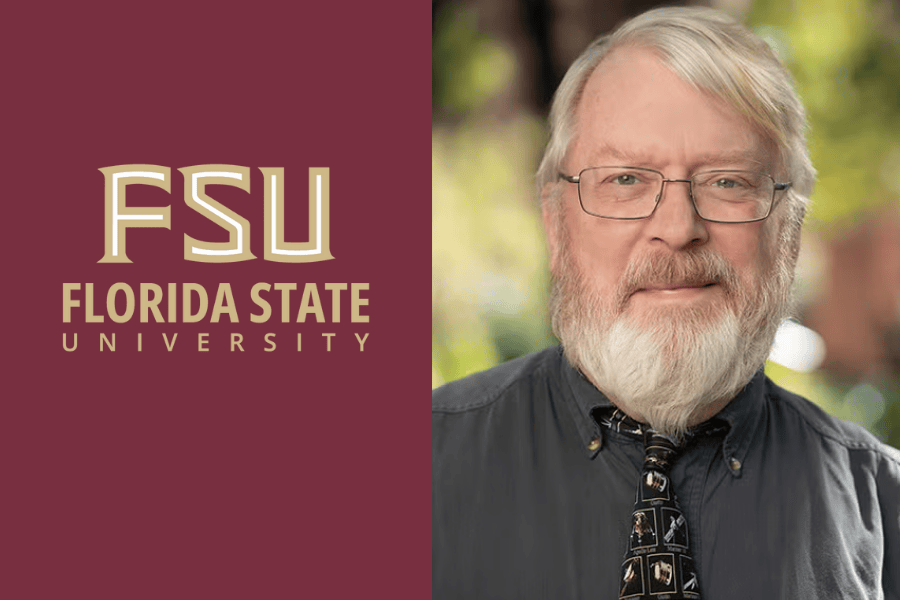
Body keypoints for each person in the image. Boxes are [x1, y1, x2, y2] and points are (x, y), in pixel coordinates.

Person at [432, 6, 900, 599]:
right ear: (556, 226)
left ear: (789, 229)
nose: (678, 228)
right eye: (626, 180)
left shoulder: (885, 511)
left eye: (728, 181)